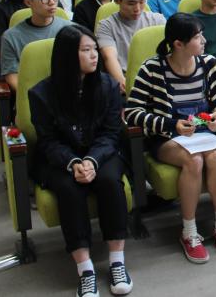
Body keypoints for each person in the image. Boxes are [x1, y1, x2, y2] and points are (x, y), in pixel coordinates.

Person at [125, 14, 216, 263]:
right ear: (178, 44)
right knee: (194, 161)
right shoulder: (152, 69)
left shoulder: (209, 64)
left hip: (204, 134)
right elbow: (132, 112)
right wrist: (171, 124)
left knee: (215, 157)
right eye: (197, 37)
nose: (204, 41)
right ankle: (189, 232)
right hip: (168, 137)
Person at [29, 25, 132, 297]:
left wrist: (92, 161)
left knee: (110, 180)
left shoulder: (108, 86)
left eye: (94, 49)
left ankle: (117, 261)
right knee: (68, 189)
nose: (94, 55)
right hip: (62, 157)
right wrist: (74, 162)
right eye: (86, 50)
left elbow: (111, 133)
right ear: (67, 56)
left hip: (102, 152)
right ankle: (85, 269)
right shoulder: (41, 93)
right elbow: (48, 141)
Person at [1, 0, 74, 91]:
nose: (51, 2)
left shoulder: (72, 29)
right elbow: (12, 75)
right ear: (28, 2)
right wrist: (31, 96)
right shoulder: (11, 37)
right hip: (31, 94)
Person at [96, 0, 166, 88]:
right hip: (125, 80)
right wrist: (124, 83)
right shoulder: (106, 25)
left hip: (157, 80)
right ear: (117, 1)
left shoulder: (158, 20)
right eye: (131, 3)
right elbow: (109, 57)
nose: (137, 8)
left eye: (142, 2)